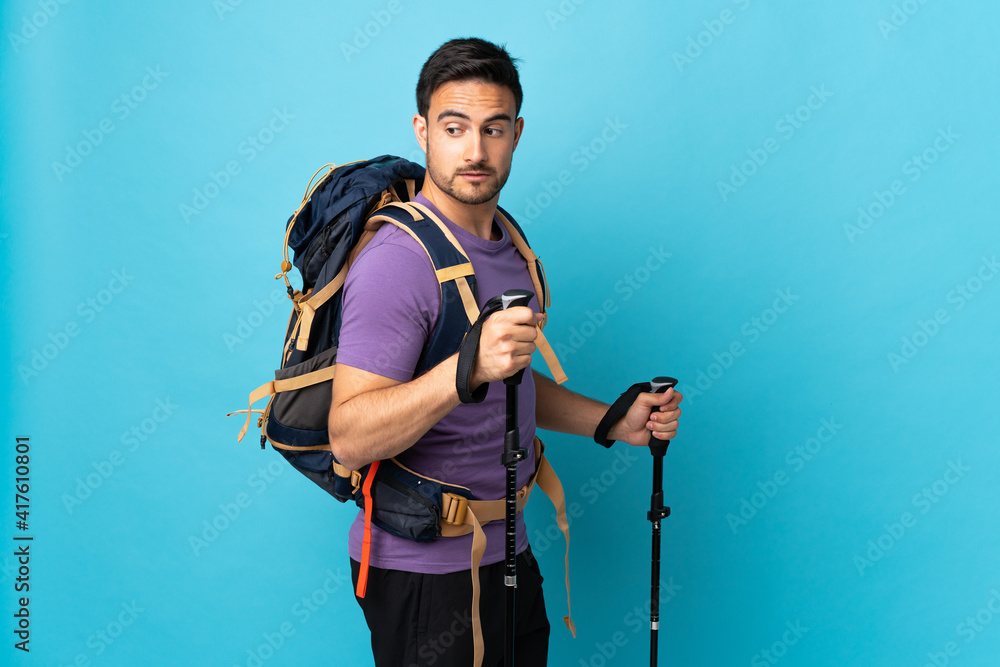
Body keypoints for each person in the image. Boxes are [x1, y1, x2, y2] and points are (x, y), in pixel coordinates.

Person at [328, 37, 682, 667]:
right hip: (423, 573)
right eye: (454, 127)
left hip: (509, 553)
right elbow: (349, 438)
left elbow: (507, 383)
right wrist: (464, 368)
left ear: (517, 133)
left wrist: (611, 421)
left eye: (493, 129)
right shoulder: (397, 262)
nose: (474, 150)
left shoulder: (510, 247)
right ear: (422, 131)